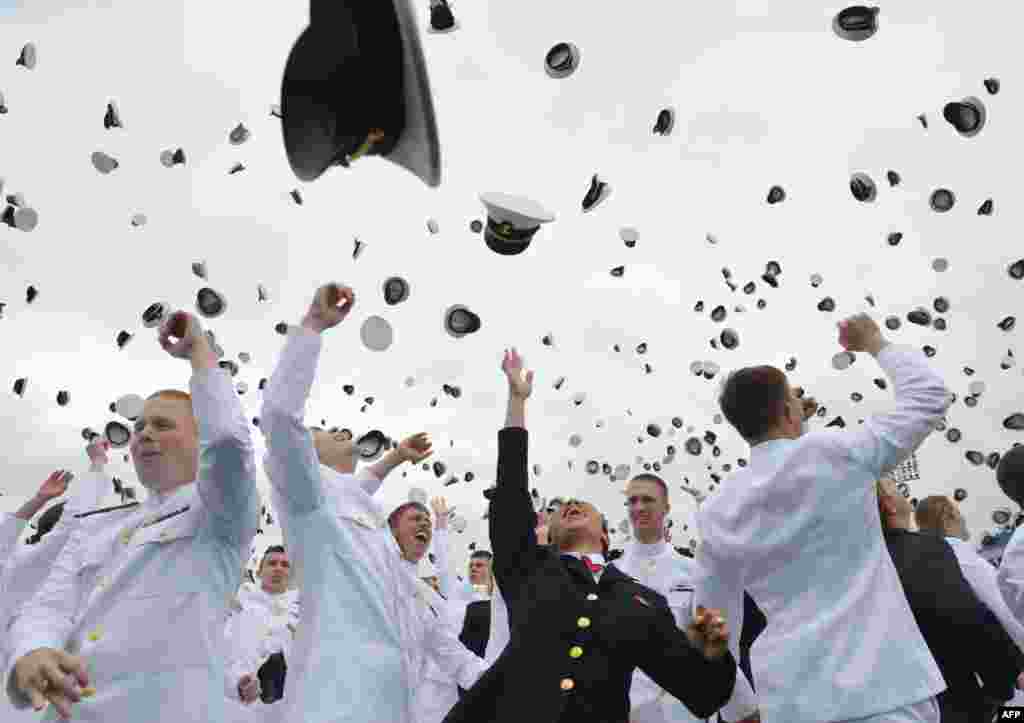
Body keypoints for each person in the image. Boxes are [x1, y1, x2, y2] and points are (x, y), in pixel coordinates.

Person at [443, 348, 738, 723]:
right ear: (549, 533)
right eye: (562, 507)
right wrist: (517, 401)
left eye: (584, 504)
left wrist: (712, 643)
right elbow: (512, 493)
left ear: (605, 537)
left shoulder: (643, 601)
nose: (571, 505)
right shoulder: (530, 566)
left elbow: (703, 689)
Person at [694, 313, 953, 723]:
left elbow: (710, 621)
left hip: (792, 702)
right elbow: (929, 396)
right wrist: (875, 342)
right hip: (883, 691)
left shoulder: (717, 510)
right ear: (786, 411)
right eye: (795, 401)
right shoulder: (836, 452)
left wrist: (739, 706)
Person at [6, 309, 260, 721]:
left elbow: (230, 442)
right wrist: (31, 648)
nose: (144, 433)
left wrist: (200, 351)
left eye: (163, 425)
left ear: (201, 440)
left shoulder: (219, 517)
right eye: (140, 426)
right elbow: (48, 605)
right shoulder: (99, 525)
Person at [260, 281, 485, 723]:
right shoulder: (308, 498)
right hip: (334, 703)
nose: (344, 433)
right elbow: (281, 419)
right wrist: (312, 328)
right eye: (328, 432)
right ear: (306, 455)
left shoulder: (373, 534)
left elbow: (437, 640)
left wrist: (511, 684)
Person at [877, 479, 1023, 722]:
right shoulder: (926, 551)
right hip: (961, 698)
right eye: (895, 488)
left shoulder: (868, 565)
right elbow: (972, 613)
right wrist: (1009, 671)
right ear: (890, 505)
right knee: (1013, 716)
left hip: (907, 703)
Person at [618, 473, 759, 723]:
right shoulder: (612, 575)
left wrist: (743, 710)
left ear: (666, 508)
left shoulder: (694, 572)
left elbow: (713, 642)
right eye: (633, 501)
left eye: (648, 500)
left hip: (683, 712)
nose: (639, 507)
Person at [915, 495, 1024, 654]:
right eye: (958, 513)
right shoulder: (963, 559)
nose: (963, 519)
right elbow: (1001, 606)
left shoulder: (933, 562)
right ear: (947, 520)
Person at [223, 545, 300, 721]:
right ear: (259, 571)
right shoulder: (240, 605)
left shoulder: (304, 609)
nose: (278, 568)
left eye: (284, 565)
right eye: (272, 563)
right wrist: (238, 683)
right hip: (246, 706)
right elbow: (221, 649)